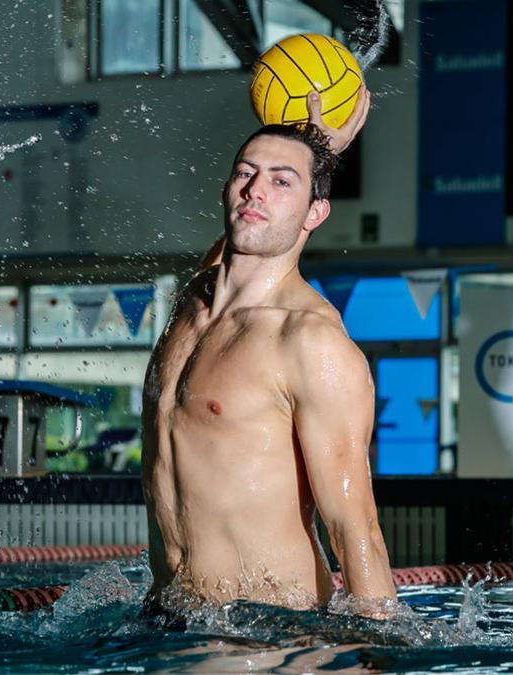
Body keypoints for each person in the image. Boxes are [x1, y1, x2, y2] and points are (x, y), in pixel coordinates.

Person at [141, 88, 397, 617]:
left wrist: (376, 653)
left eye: (283, 182)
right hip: (170, 619)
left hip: (268, 633)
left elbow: (356, 528)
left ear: (315, 212)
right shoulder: (192, 305)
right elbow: (228, 258)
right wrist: (311, 152)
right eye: (246, 173)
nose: (256, 190)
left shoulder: (309, 341)